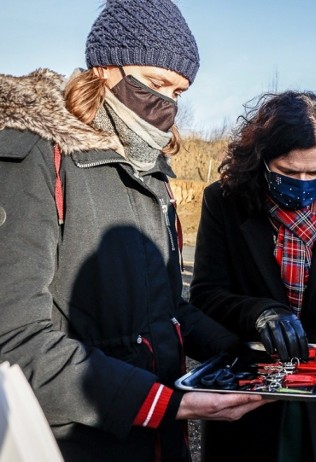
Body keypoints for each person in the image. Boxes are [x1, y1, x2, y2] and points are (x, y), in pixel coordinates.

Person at [0, 1, 267, 460]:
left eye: (179, 92)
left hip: (159, 440)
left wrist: (243, 355)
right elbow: (14, 339)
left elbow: (167, 306)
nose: (167, 103)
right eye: (158, 83)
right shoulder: (37, 158)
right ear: (105, 68)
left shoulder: (153, 175)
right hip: (76, 441)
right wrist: (159, 402)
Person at [189, 90, 316, 461]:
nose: (302, 181)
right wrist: (260, 313)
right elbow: (205, 293)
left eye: (315, 172)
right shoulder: (223, 200)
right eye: (288, 172)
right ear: (261, 159)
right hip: (249, 381)